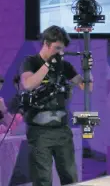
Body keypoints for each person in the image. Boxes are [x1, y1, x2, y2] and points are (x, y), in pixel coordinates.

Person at [20, 25, 93, 186]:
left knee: (70, 176)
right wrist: (47, 65)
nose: (60, 53)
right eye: (57, 48)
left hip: (62, 130)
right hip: (39, 132)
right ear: (46, 43)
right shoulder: (30, 62)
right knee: (43, 179)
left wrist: (88, 69)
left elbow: (87, 87)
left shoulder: (64, 65)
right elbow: (28, 84)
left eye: (62, 49)